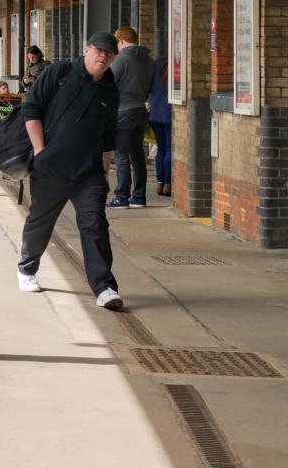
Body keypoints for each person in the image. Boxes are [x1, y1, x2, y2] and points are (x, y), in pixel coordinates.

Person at [16, 32, 126, 310]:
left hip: (88, 172)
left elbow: (110, 134)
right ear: (87, 50)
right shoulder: (59, 72)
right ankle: (27, 268)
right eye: (98, 50)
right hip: (51, 166)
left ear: (114, 58)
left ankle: (104, 287)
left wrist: (104, 171)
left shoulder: (110, 89)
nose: (103, 56)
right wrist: (40, 151)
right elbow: (31, 108)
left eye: (109, 53)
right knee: (41, 221)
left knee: (95, 225)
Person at [107, 26, 156, 208]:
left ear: (121, 41)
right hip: (140, 111)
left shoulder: (121, 59)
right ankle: (139, 197)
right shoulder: (149, 61)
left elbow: (108, 83)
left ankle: (121, 197)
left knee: (120, 155)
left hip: (122, 111)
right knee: (137, 154)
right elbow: (150, 87)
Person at [149, 68, 173, 198]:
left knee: (161, 149)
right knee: (170, 149)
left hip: (155, 112)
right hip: (169, 112)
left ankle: (160, 182)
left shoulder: (155, 64)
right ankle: (168, 184)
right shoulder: (174, 64)